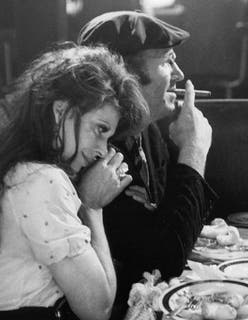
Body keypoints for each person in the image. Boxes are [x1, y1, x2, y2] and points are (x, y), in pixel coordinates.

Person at [77, 11, 217, 318]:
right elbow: (162, 263)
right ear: (124, 76)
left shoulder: (148, 132)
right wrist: (194, 151)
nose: (179, 74)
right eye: (167, 61)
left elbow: (172, 227)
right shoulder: (95, 152)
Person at [0, 45, 149, 320]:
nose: (103, 151)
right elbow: (98, 309)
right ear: (60, 113)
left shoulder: (19, 169)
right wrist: (92, 207)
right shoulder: (42, 181)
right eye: (99, 129)